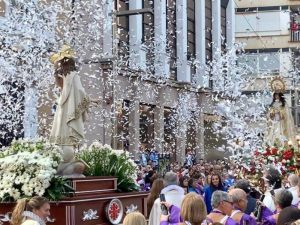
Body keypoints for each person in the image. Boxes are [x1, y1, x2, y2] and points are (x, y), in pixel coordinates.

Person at [49, 45, 91, 177]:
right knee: (65, 142)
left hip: (63, 113)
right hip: (65, 113)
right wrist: (88, 101)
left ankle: (62, 161)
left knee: (62, 139)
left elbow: (76, 94)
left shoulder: (68, 78)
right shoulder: (73, 76)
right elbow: (80, 93)